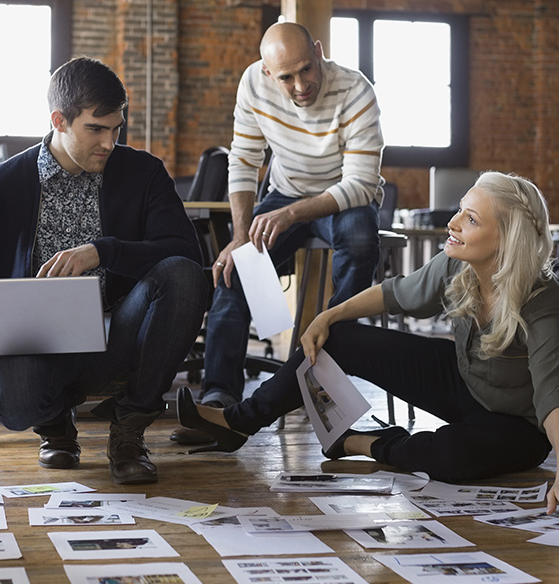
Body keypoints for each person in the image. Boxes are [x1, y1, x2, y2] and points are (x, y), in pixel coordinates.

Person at [177, 172, 559, 512]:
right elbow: (393, 293)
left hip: (520, 425)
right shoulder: (457, 263)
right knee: (338, 338)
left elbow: (551, 398)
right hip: (464, 378)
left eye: (470, 219)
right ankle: (239, 422)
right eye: (460, 210)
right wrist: (330, 316)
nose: (453, 223)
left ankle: (364, 443)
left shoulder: (542, 302)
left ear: (508, 239)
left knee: (451, 459)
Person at [0, 57, 208, 485]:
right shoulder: (4, 183)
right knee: (12, 396)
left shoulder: (143, 172)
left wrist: (102, 251)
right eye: (96, 129)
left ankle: (128, 433)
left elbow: (184, 252)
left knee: (183, 276)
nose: (109, 142)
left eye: (116, 128)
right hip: (39, 339)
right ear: (59, 120)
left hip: (121, 330)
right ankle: (56, 429)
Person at [174, 20, 383, 444]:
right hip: (284, 192)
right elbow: (244, 160)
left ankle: (328, 373)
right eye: (286, 77)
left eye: (307, 69)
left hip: (345, 196)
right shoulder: (254, 83)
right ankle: (220, 403)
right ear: (269, 73)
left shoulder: (357, 90)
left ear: (320, 51)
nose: (300, 84)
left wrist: (290, 216)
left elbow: (361, 182)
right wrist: (238, 237)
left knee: (362, 241)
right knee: (237, 265)